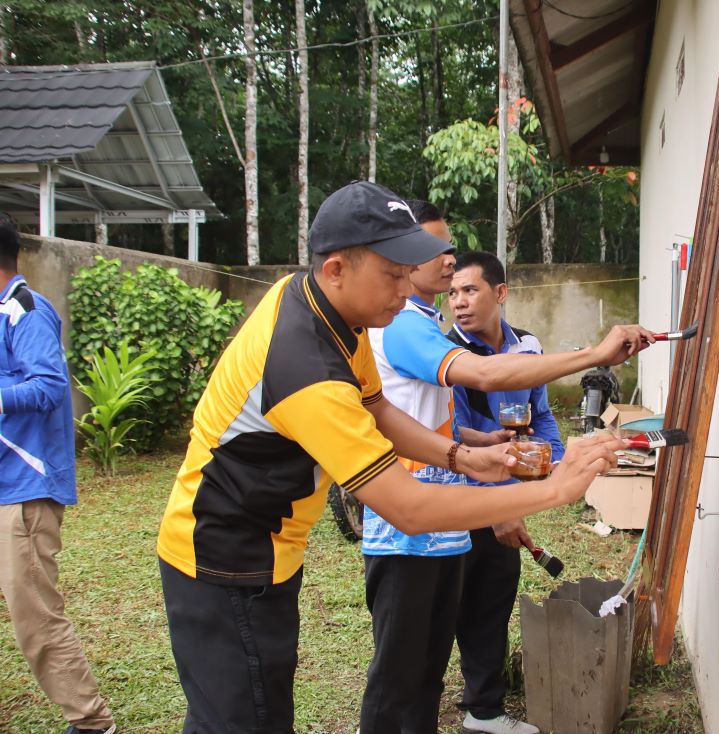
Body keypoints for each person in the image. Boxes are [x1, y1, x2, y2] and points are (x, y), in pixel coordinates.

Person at [155, 181, 637, 733]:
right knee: (244, 721)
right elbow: (407, 507)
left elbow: (377, 407)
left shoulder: (331, 311)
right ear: (336, 269)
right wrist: (558, 488)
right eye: (392, 273)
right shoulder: (303, 365)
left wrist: (459, 455)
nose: (407, 286)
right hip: (223, 559)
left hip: (267, 550)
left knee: (258, 706)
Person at [359, 202, 653, 734]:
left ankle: (481, 709)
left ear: (500, 294)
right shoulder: (405, 327)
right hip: (407, 528)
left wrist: (472, 451)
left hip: (444, 522)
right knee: (399, 674)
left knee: (426, 669)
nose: (448, 263)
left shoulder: (423, 323)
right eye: (434, 250)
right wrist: (594, 354)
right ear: (399, 257)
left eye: (450, 250)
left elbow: (416, 418)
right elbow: (485, 376)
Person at [0, 212, 117, 734]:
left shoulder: (24, 310)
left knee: (35, 616)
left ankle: (91, 723)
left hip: (24, 493)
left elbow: (49, 386)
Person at [447, 250, 562, 734]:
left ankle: (483, 709)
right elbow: (451, 433)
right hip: (452, 496)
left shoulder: (528, 348)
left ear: (500, 293)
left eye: (469, 290)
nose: (458, 303)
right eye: (451, 292)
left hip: (505, 490)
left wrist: (551, 459)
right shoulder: (448, 354)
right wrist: (499, 506)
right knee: (443, 606)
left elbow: (542, 415)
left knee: (491, 599)